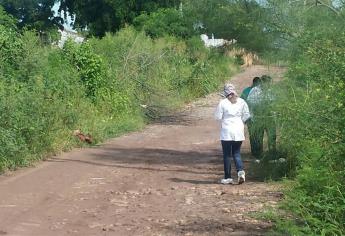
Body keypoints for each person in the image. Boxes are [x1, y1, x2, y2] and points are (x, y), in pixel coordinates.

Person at [214, 83, 250, 185]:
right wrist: (240, 121)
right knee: (236, 153)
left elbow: (217, 117)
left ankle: (228, 177)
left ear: (225, 92)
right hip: (238, 129)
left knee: (227, 155)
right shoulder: (242, 101)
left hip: (227, 130)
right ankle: (240, 171)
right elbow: (247, 115)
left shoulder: (223, 102)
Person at [246, 75, 276, 158]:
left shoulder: (271, 90)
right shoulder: (255, 90)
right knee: (258, 137)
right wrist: (262, 102)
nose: (269, 85)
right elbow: (250, 101)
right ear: (262, 82)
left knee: (272, 136)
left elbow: (275, 102)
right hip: (258, 117)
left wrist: (271, 103)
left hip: (270, 117)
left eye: (270, 83)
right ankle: (258, 156)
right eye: (267, 83)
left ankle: (272, 155)